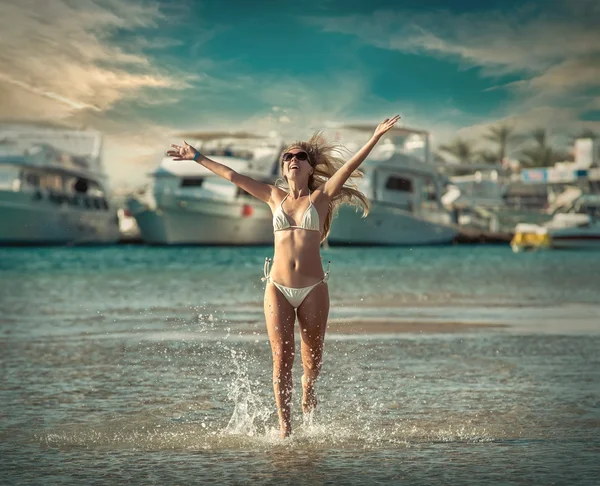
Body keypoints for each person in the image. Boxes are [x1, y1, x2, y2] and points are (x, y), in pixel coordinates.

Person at [167, 115, 400, 437]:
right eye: (287, 156)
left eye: (299, 156)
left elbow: (347, 169)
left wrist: (375, 137)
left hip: (313, 288)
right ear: (283, 167)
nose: (292, 160)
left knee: (312, 361)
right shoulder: (272, 196)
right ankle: (285, 430)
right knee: (280, 360)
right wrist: (195, 157)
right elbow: (232, 175)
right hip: (276, 287)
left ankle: (308, 390)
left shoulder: (319, 199)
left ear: (309, 165)